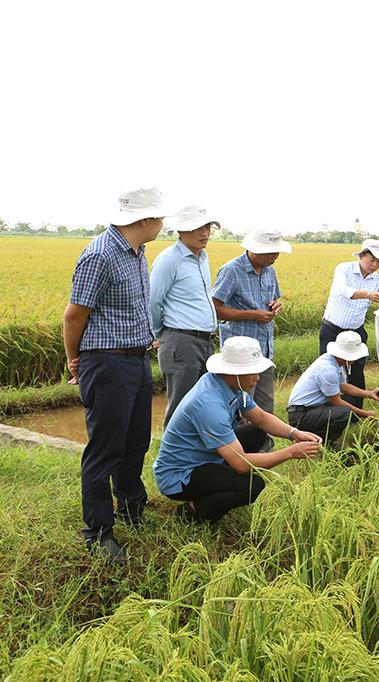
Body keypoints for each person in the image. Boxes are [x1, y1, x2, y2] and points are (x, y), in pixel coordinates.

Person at [62, 187, 176, 564]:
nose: (163, 224)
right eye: (160, 218)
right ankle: (98, 532)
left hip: (136, 359)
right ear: (144, 220)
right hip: (107, 363)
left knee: (136, 441)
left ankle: (131, 507)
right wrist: (74, 359)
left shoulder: (138, 253)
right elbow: (74, 315)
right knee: (105, 449)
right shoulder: (100, 255)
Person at [153, 336, 322, 523]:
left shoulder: (228, 386)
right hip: (180, 476)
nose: (258, 378)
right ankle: (192, 511)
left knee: (256, 432)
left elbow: (260, 417)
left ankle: (218, 483)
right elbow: (241, 464)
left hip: (204, 457)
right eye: (252, 372)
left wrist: (294, 433)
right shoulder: (209, 405)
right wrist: (290, 453)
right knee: (252, 486)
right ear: (233, 372)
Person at [149, 205, 220, 425]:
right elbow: (153, 301)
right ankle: (172, 457)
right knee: (181, 405)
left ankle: (197, 456)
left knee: (204, 402)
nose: (205, 233)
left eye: (207, 226)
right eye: (198, 228)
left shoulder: (203, 257)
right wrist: (161, 333)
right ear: (181, 231)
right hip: (180, 341)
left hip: (204, 340)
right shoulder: (169, 259)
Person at [211, 230, 292, 414]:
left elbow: (274, 299)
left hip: (264, 351)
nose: (276, 257)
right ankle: (239, 444)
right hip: (240, 357)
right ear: (254, 250)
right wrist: (252, 315)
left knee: (265, 407)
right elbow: (214, 309)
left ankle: (265, 443)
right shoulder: (231, 270)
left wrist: (276, 306)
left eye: (277, 252)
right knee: (242, 409)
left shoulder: (270, 271)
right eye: (271, 252)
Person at [319, 239, 379, 409]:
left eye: (378, 261)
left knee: (357, 370)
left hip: (356, 331)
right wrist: (368, 294)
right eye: (371, 260)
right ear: (361, 256)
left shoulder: (378, 279)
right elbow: (342, 290)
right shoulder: (344, 269)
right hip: (332, 329)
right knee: (329, 369)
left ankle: (356, 411)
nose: (374, 265)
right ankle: (327, 410)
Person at [287, 331, 379, 444]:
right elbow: (336, 401)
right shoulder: (328, 370)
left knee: (350, 400)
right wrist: (365, 414)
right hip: (301, 415)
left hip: (312, 408)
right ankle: (315, 441)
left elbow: (342, 386)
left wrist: (370, 394)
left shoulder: (334, 361)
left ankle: (320, 439)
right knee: (344, 412)